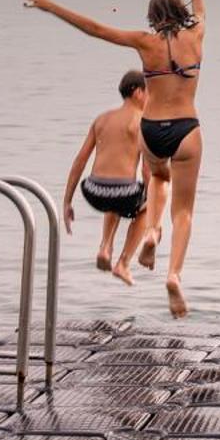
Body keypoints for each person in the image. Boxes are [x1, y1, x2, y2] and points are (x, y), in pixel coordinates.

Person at [23, 0, 206, 317]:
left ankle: (152, 230)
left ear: (153, 15)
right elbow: (200, 8)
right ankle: (173, 274)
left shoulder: (144, 42)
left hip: (152, 128)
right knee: (183, 212)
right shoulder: (197, 33)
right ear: (180, 12)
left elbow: (95, 29)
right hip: (187, 127)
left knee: (158, 178)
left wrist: (51, 6)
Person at [61, 68, 151, 285]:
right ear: (138, 92)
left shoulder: (101, 120)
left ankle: (105, 247)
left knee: (115, 200)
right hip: (122, 191)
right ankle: (123, 263)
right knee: (145, 209)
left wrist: (67, 201)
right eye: (149, 93)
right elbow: (147, 171)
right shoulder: (142, 122)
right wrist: (151, 203)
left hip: (93, 190)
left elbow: (80, 161)